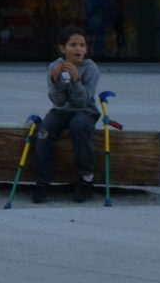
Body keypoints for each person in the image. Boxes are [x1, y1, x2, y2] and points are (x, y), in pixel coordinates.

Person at [30, 28, 104, 204]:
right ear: (63, 48)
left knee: (79, 126)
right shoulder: (54, 66)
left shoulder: (91, 68)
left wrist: (76, 80)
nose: (78, 49)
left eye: (82, 45)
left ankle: (86, 179)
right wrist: (56, 81)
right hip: (60, 110)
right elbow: (57, 100)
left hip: (85, 110)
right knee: (43, 132)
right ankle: (42, 182)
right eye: (73, 45)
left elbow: (83, 101)